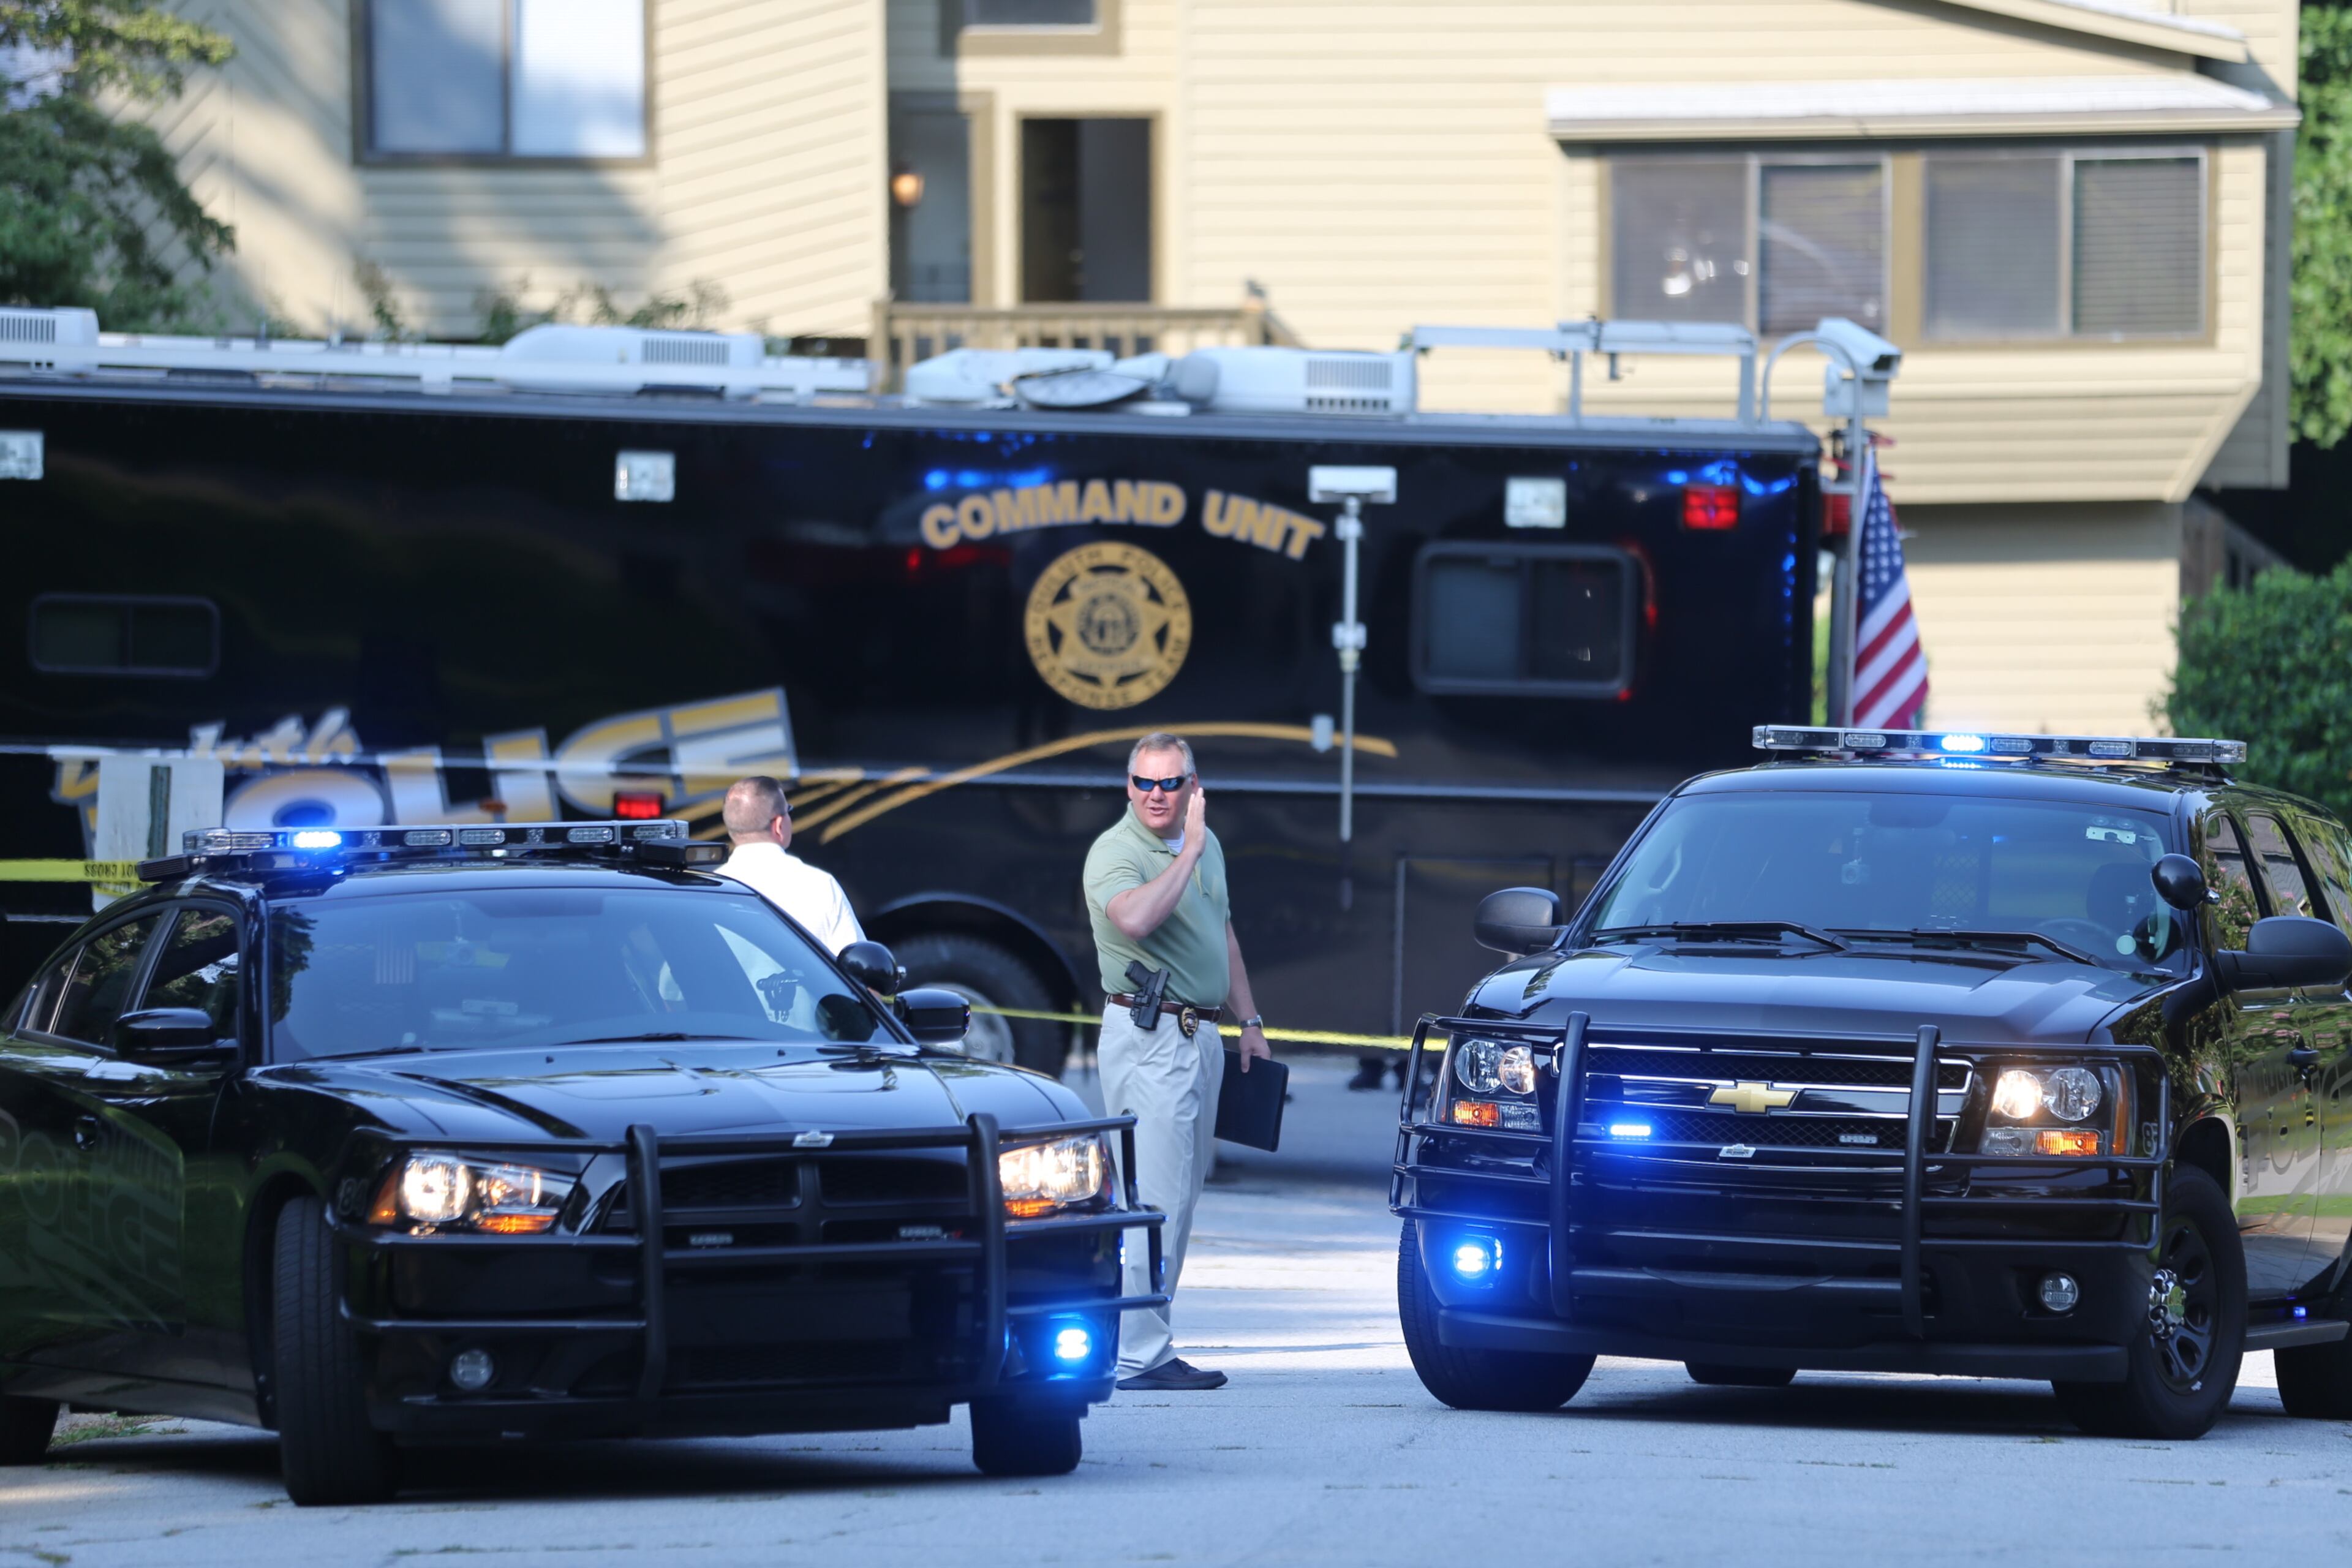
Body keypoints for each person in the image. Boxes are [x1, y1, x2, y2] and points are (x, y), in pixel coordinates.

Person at [1082, 732, 1272, 1392]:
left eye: (1170, 782)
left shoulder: (1208, 845)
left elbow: (1221, 933)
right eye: (1144, 782)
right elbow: (1133, 918)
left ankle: (1146, 1341)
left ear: (1194, 784)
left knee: (1182, 1194)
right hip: (1149, 1033)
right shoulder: (1116, 851)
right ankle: (1137, 1353)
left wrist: (1249, 1022)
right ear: (1127, 786)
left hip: (1200, 1035)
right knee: (1152, 1198)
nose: (1156, 795)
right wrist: (1187, 849)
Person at [717, 775, 866, 954]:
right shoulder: (820, 885)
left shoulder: (708, 890)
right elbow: (855, 965)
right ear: (779, 825)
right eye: (788, 811)